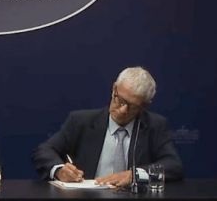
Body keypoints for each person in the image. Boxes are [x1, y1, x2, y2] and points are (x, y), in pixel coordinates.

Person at [31, 66, 183, 187]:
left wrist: (135, 175)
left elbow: (173, 165)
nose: (123, 110)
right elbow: (44, 150)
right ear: (114, 89)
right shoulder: (81, 121)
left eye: (132, 106)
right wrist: (59, 170)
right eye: (120, 100)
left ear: (144, 106)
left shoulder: (154, 125)